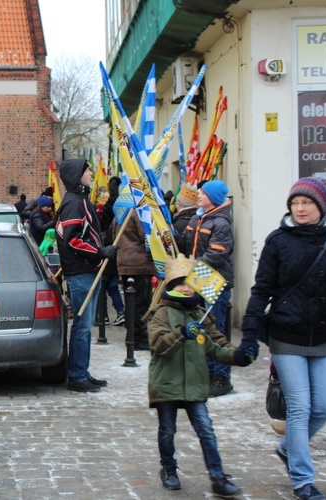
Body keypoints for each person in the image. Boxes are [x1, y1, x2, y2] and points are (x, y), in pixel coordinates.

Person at [241, 177, 326, 500]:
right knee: (299, 407)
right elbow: (262, 290)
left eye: (307, 203)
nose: (300, 209)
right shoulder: (278, 241)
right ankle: (303, 480)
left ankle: (288, 447)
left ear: (322, 206)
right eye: (295, 203)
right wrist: (248, 331)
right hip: (286, 332)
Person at [146, 254, 255, 498]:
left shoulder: (200, 314)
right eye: (180, 284)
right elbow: (159, 345)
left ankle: (217, 477)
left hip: (194, 383)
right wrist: (182, 333)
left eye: (189, 284)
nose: (185, 289)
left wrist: (237, 356)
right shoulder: (161, 313)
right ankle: (169, 468)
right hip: (167, 383)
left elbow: (216, 345)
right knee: (167, 430)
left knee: (206, 429)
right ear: (171, 287)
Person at [55, 158, 117, 392]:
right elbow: (72, 239)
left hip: (86, 271)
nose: (91, 173)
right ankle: (77, 376)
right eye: (87, 170)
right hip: (80, 273)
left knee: (86, 325)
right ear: (76, 175)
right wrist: (99, 252)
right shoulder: (74, 203)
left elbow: (91, 228)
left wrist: (111, 203)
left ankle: (82, 371)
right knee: (82, 326)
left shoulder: (80, 200)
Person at [177, 179, 235, 397]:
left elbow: (216, 254)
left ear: (214, 198)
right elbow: (184, 241)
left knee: (216, 329)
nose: (198, 196)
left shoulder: (221, 223)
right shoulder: (198, 217)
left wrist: (192, 273)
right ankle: (209, 373)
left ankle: (222, 377)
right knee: (203, 326)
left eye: (202, 193)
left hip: (214, 281)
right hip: (202, 279)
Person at [114, 210, 155, 350]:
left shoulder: (121, 211)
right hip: (139, 262)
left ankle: (132, 335)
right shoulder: (139, 211)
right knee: (140, 302)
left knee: (131, 301)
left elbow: (113, 235)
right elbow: (147, 235)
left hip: (125, 261)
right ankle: (137, 337)